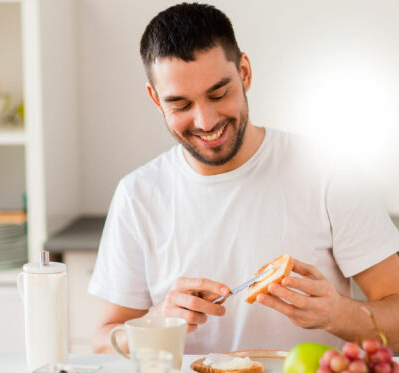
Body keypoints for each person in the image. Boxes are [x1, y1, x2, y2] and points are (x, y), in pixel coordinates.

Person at [88, 2, 399, 354]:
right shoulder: (138, 194)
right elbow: (102, 343)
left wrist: (339, 314)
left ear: (245, 72)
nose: (205, 121)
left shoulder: (328, 170)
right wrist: (156, 321)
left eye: (218, 94)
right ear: (155, 100)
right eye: (180, 105)